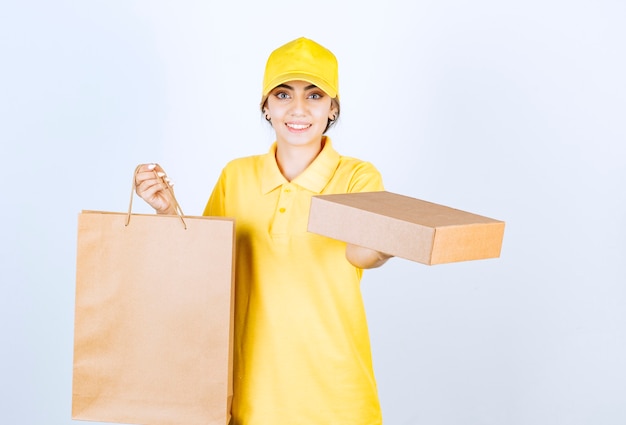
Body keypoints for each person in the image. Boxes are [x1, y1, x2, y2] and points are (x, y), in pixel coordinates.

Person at [135, 37, 392, 425]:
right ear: (266, 107)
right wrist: (168, 210)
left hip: (337, 395)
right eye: (284, 94)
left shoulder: (357, 176)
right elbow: (204, 270)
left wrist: (384, 245)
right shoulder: (237, 175)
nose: (299, 109)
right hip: (251, 395)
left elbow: (360, 254)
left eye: (315, 95)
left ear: (333, 108)